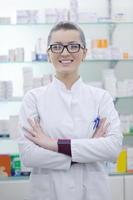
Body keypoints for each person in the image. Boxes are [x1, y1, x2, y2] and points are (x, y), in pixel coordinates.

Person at [18, 21, 123, 200]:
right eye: (57, 47)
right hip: (49, 192)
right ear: (49, 54)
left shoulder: (101, 98)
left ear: (84, 53)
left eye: (73, 46)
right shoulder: (33, 98)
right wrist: (86, 150)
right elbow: (29, 155)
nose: (65, 53)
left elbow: (112, 149)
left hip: (93, 192)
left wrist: (52, 144)